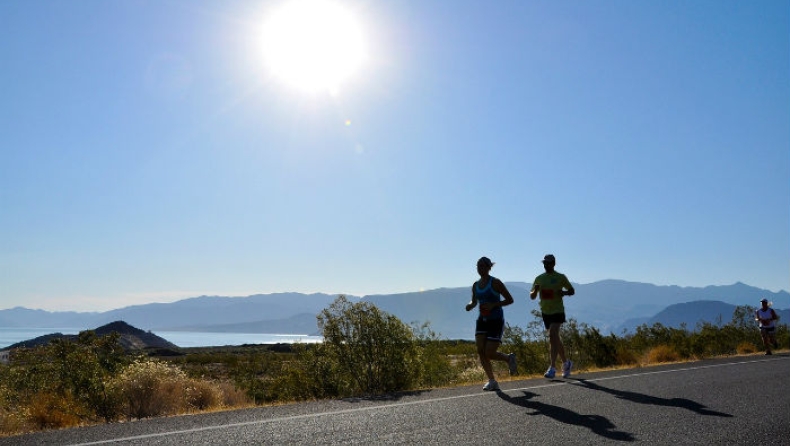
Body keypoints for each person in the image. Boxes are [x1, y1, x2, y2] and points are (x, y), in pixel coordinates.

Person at [465, 256, 518, 391]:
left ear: (489, 267)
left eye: (482, 266)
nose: (480, 268)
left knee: (489, 352)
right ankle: (492, 380)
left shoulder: (495, 282)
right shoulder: (475, 285)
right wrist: (470, 305)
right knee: (480, 351)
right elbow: (474, 301)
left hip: (496, 320)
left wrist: (494, 304)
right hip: (482, 321)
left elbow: (510, 300)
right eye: (478, 266)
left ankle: (508, 358)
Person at [530, 254, 575, 379]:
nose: (546, 265)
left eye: (548, 263)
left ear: (554, 263)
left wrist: (564, 292)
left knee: (553, 335)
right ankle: (566, 363)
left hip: (558, 311)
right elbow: (532, 296)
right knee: (554, 338)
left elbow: (572, 290)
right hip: (545, 312)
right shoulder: (539, 278)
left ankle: (552, 367)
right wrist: (535, 290)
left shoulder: (560, 277)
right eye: (544, 263)